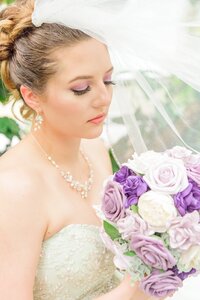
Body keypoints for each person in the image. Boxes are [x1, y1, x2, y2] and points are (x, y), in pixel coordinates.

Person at [0, 0, 159, 299]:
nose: (103, 98)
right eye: (81, 88)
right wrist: (130, 290)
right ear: (32, 97)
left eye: (108, 79)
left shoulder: (94, 149)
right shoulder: (13, 188)